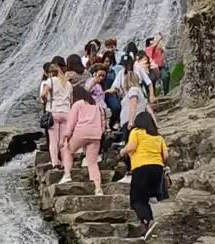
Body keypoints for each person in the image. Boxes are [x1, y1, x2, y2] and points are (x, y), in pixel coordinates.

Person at [119, 111, 168, 240]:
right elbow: (166, 155)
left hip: (141, 168)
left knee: (136, 200)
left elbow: (131, 147)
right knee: (144, 199)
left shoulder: (136, 132)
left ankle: (147, 221)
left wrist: (122, 151)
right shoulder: (158, 137)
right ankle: (149, 227)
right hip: (157, 169)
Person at [112, 54, 157, 184]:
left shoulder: (132, 91)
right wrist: (155, 122)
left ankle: (131, 172)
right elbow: (147, 107)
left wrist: (130, 121)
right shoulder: (139, 92)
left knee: (131, 147)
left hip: (130, 123)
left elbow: (132, 105)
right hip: (141, 122)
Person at [58, 86, 105, 195]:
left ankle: (67, 175)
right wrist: (100, 133)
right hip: (96, 135)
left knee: (68, 150)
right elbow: (103, 123)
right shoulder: (97, 106)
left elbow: (71, 123)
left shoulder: (78, 104)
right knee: (92, 162)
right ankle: (98, 188)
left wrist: (65, 137)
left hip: (81, 132)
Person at [40, 63, 73, 168]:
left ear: (50, 73)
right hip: (66, 112)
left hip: (54, 112)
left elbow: (43, 94)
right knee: (63, 141)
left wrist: (46, 101)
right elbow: (71, 101)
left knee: (53, 141)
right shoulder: (68, 84)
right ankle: (64, 162)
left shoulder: (50, 81)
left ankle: (55, 163)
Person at [101, 51, 121, 129]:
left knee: (116, 106)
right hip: (101, 93)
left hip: (110, 93)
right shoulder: (99, 71)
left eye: (110, 62)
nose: (108, 63)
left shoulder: (112, 72)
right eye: (106, 61)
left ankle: (114, 121)